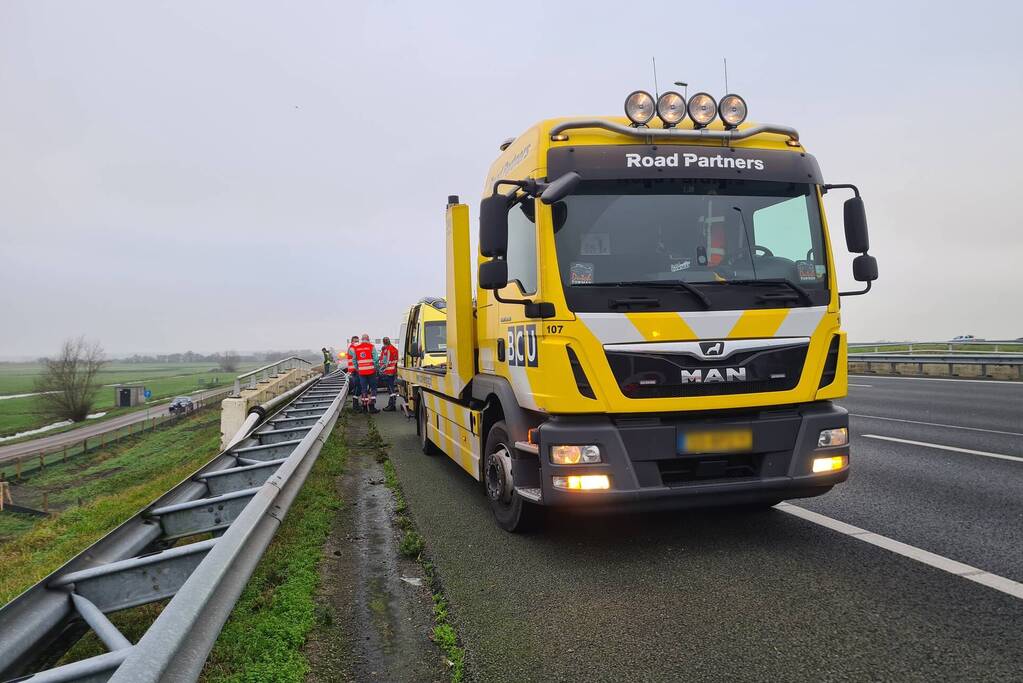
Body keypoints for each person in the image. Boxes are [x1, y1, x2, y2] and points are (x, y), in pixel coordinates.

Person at [352, 333, 379, 413]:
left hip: (362, 373)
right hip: (371, 372)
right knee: (373, 388)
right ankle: (372, 407)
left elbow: (354, 360)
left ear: (361, 339)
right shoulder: (371, 347)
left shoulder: (357, 348)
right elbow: (376, 359)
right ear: (368, 339)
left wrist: (358, 368)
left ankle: (364, 407)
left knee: (364, 389)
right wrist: (375, 367)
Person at [378, 336, 399, 411]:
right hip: (393, 370)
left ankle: (392, 405)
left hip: (388, 371)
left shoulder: (387, 350)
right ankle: (391, 404)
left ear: (383, 342)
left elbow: (386, 362)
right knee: (391, 387)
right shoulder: (394, 348)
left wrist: (381, 369)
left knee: (390, 388)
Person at [345, 335, 360, 410]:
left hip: (355, 370)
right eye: (355, 341)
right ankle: (355, 405)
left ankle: (356, 403)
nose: (356, 342)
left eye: (357, 341)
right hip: (354, 370)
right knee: (357, 386)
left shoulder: (354, 348)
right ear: (352, 342)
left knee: (358, 386)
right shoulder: (352, 348)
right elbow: (356, 357)